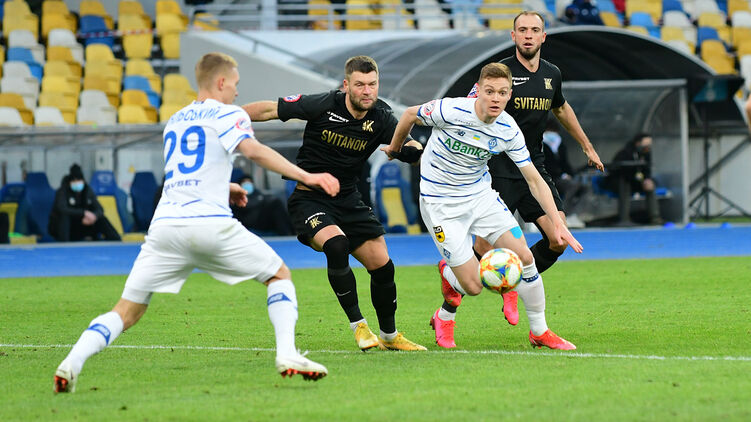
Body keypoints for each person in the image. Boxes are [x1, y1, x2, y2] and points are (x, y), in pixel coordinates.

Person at [53, 52, 339, 393]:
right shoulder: (229, 113)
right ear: (221, 82)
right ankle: (288, 354)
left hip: (165, 228)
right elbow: (253, 151)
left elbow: (185, 173)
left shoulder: (175, 120)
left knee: (126, 311)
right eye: (235, 84)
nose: (236, 92)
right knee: (278, 274)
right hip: (208, 224)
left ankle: (71, 362)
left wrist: (225, 187)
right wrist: (307, 176)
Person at [382, 62, 583, 349]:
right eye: (489, 91)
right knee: (473, 286)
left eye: (502, 93)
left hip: (480, 197)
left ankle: (540, 331)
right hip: (440, 203)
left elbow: (535, 180)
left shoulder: (508, 129)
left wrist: (558, 224)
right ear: (479, 91)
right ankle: (448, 278)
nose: (495, 98)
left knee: (525, 256)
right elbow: (410, 114)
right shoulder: (452, 110)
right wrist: (394, 147)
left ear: (509, 95)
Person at [242, 55, 427, 352]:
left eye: (372, 84)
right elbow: (269, 109)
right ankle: (359, 326)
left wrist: (410, 151)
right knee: (337, 244)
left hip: (349, 199)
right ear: (346, 85)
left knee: (382, 266)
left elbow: (410, 144)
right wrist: (226, 116)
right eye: (360, 85)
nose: (367, 91)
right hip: (309, 198)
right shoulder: (323, 104)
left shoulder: (381, 116)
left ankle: (390, 336)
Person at [467, 11, 604, 327]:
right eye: (522, 30)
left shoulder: (552, 74)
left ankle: (512, 282)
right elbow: (470, 108)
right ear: (513, 36)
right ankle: (448, 308)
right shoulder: (500, 74)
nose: (528, 35)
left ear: (544, 36)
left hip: (533, 168)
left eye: (534, 30)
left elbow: (561, 108)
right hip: (498, 168)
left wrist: (587, 146)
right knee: (482, 247)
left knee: (558, 238)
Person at [48, 164, 122, 242]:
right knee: (64, 217)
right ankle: (64, 244)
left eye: (79, 180)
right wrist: (84, 213)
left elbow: (100, 209)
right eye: (74, 181)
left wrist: (94, 216)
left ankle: (116, 241)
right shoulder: (63, 191)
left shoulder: (88, 190)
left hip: (85, 223)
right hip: (68, 227)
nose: (77, 183)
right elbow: (62, 208)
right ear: (70, 182)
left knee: (101, 218)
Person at [605, 133, 661, 225]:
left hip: (636, 182)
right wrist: (636, 178)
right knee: (625, 183)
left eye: (649, 145)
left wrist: (647, 179)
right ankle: (624, 219)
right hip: (620, 183)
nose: (648, 147)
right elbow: (617, 172)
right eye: (646, 145)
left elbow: (647, 169)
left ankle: (655, 218)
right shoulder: (624, 153)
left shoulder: (646, 153)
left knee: (650, 185)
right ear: (638, 143)